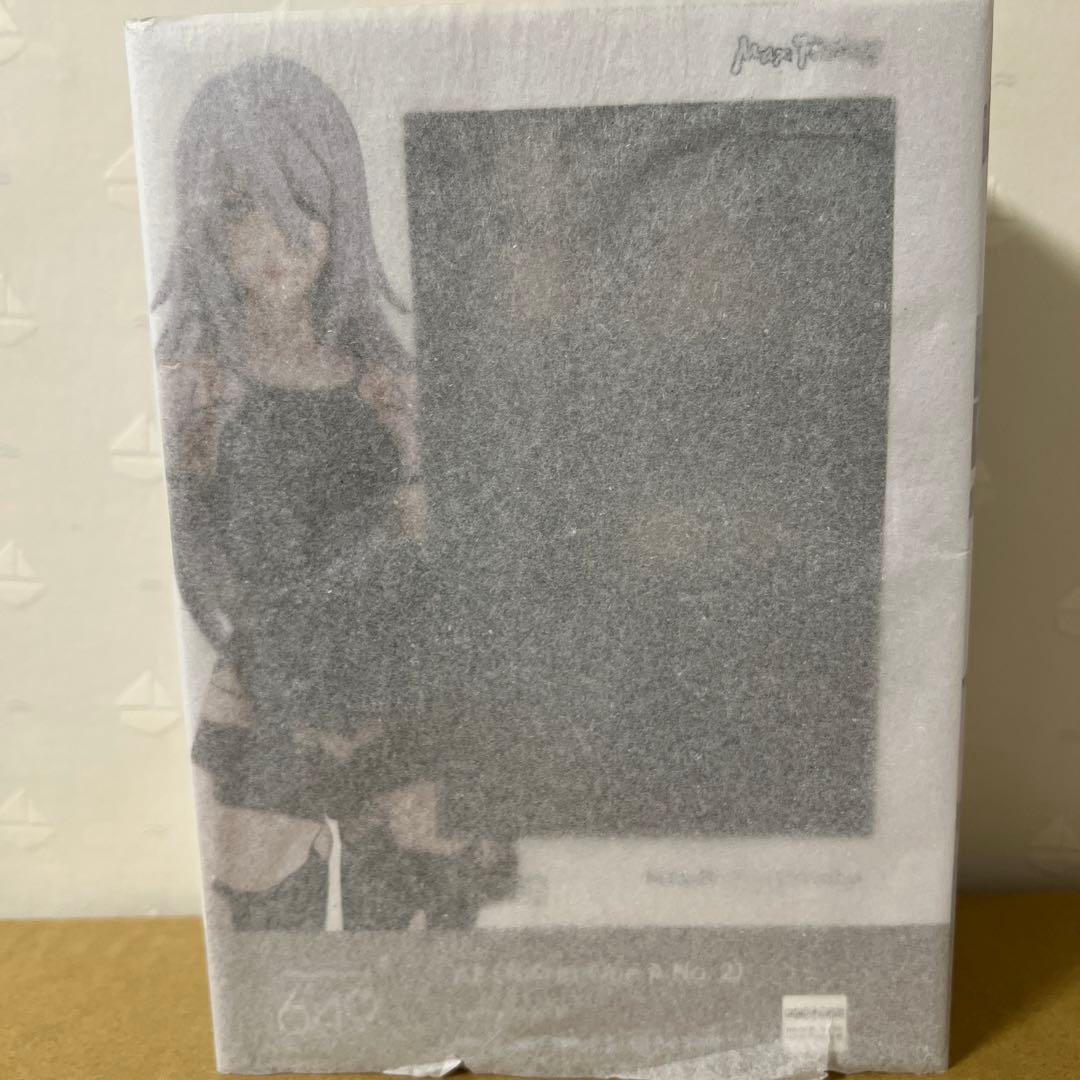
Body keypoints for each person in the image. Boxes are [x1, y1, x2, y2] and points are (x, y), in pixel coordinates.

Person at [154, 56, 514, 931]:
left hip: (399, 676)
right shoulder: (199, 385)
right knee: (259, 895)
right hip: (267, 680)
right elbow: (189, 548)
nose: (274, 241)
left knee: (412, 907)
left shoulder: (386, 380)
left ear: (342, 208)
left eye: (303, 206)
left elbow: (437, 530)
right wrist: (253, 642)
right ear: (201, 222)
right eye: (239, 209)